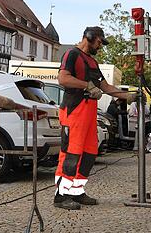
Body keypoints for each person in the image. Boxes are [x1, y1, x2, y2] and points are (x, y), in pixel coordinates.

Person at [54, 26, 138, 210]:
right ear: (89, 37)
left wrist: (127, 96)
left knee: (90, 154)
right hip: (74, 111)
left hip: (89, 113)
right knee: (71, 154)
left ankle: (77, 192)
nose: (100, 46)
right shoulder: (71, 55)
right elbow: (63, 79)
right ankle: (61, 195)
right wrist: (86, 85)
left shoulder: (92, 62)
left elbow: (106, 87)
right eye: (99, 41)